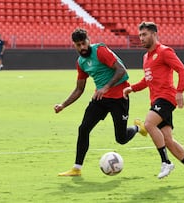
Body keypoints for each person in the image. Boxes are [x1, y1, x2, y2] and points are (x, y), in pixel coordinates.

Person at [55, 28, 147, 176]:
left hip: (119, 97)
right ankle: (76, 168)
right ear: (74, 45)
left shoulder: (100, 51)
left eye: (84, 43)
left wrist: (106, 87)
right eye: (78, 45)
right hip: (100, 99)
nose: (82, 47)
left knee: (121, 139)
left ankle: (137, 128)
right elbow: (79, 89)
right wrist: (63, 105)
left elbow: (121, 70)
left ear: (89, 40)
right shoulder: (81, 62)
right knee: (83, 129)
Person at [123, 22, 184, 186]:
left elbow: (182, 70)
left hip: (167, 97)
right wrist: (132, 88)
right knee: (167, 139)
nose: (141, 38)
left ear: (154, 34)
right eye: (140, 35)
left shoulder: (164, 51)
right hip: (156, 100)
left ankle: (166, 162)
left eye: (144, 35)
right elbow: (147, 79)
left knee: (148, 124)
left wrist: (180, 91)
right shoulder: (145, 57)